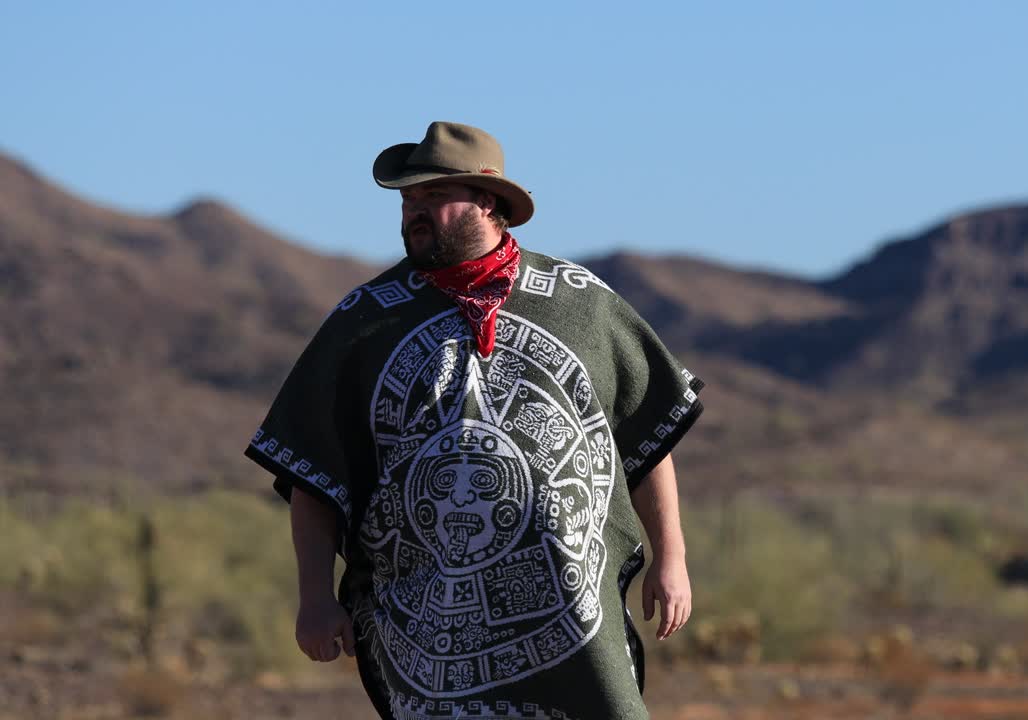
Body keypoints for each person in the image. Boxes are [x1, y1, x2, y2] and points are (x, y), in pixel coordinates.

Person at [246, 121, 703, 720]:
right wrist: (313, 598)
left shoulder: (581, 304)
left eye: (432, 196)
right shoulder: (363, 324)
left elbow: (642, 441)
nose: (414, 210)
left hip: (574, 615)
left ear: (486, 202)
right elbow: (315, 472)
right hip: (431, 625)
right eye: (408, 200)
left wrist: (672, 559)